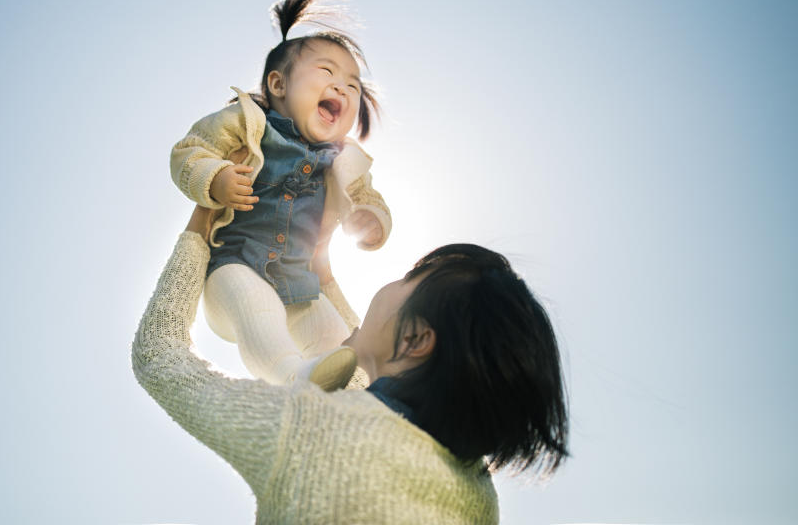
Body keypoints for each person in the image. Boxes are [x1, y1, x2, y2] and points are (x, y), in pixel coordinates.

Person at [131, 206, 569, 524]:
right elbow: (364, 360)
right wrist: (323, 275)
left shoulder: (311, 430)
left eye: (407, 279)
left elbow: (159, 355)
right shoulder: (479, 497)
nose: (392, 282)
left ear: (416, 339)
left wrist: (198, 229)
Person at [170, 0, 391, 391]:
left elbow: (367, 198)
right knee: (258, 308)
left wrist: (370, 220)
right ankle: (294, 377)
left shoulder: (343, 161)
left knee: (329, 333)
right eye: (327, 72)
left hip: (298, 281)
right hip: (232, 271)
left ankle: (350, 397)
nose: (343, 88)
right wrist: (214, 180)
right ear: (278, 84)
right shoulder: (248, 123)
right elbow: (189, 152)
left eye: (354, 86)